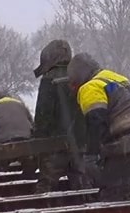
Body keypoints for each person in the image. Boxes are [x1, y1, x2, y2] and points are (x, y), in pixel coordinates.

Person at [65, 53, 130, 202]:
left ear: (79, 77)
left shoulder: (90, 87)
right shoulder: (118, 80)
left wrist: (91, 156)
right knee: (122, 193)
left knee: (110, 198)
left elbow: (96, 120)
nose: (72, 88)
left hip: (126, 147)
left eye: (72, 83)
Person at [32, 40, 93, 193]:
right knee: (83, 187)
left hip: (55, 145)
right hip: (80, 144)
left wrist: (38, 138)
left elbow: (43, 114)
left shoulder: (49, 80)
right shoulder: (80, 77)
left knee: (46, 187)